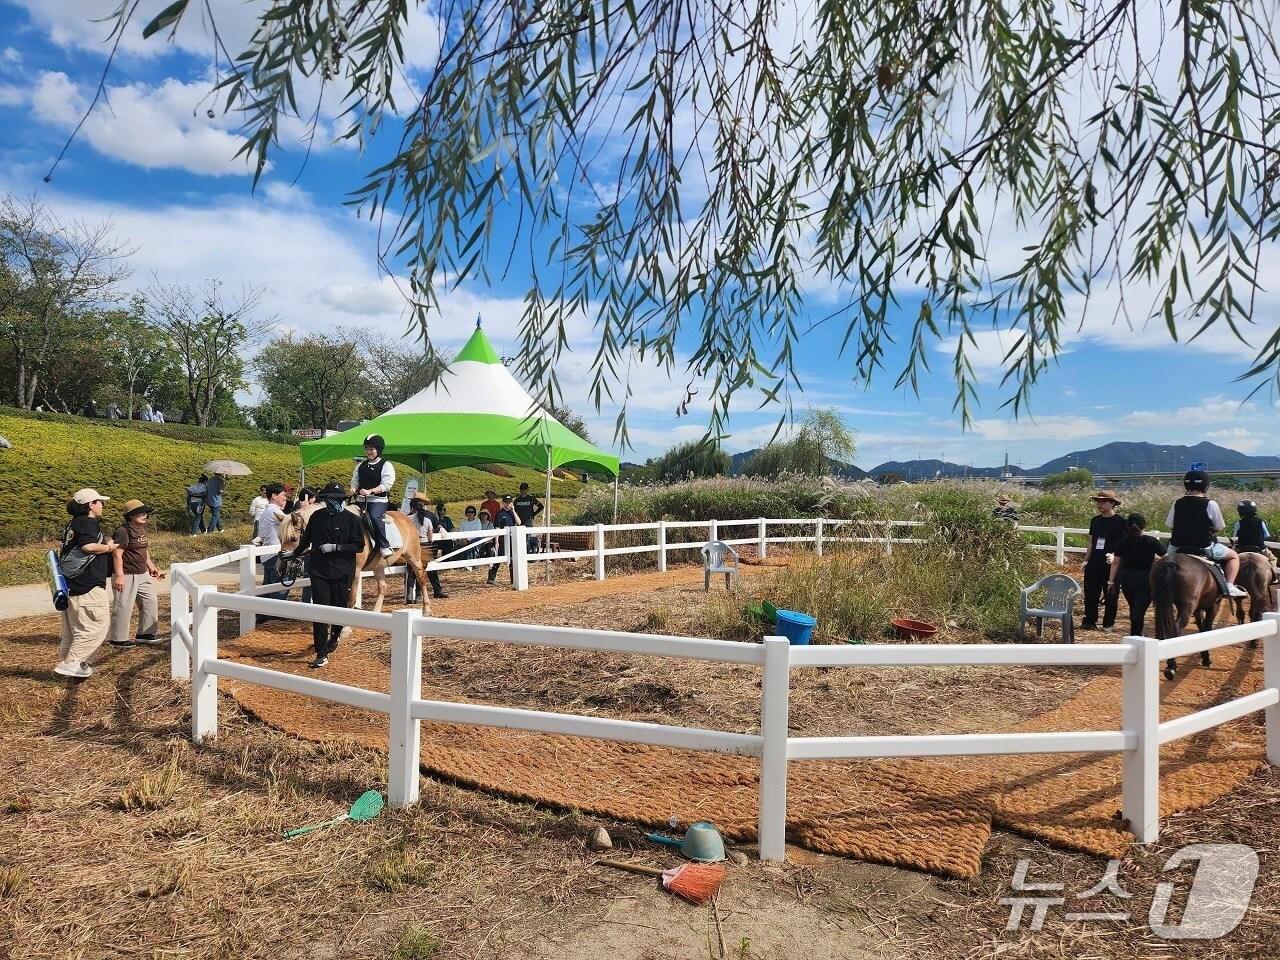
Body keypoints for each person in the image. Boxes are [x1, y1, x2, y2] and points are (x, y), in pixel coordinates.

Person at [284, 481, 364, 668]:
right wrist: (293, 554)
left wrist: (337, 547)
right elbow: (306, 540)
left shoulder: (353, 520)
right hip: (319, 571)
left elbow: (358, 545)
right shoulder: (317, 517)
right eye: (329, 499)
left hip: (342, 571)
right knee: (319, 610)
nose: (332, 502)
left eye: (336, 499)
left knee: (338, 609)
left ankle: (335, 635)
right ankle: (321, 652)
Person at [54, 489, 117, 679]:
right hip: (88, 584)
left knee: (74, 630)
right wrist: (108, 547)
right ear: (91, 504)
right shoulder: (88, 522)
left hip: (73, 583)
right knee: (94, 627)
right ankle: (73, 663)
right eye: (100, 502)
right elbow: (88, 547)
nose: (102, 506)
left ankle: (65, 664)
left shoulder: (72, 523)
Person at [1165, 469, 1247, 598]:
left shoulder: (1177, 503)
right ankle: (1230, 586)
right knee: (1234, 557)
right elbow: (1219, 526)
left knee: (1163, 564)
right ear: (1206, 486)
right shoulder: (1210, 504)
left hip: (1177, 547)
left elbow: (1170, 525)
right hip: (1203, 547)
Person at [108, 499, 165, 649]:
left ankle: (145, 634)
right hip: (126, 574)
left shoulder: (141, 528)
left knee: (150, 601)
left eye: (146, 512)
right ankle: (118, 639)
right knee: (123, 605)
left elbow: (143, 550)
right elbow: (117, 554)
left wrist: (151, 566)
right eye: (140, 513)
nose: (145, 515)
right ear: (130, 516)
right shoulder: (123, 531)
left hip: (142, 573)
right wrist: (119, 576)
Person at [1107, 513, 1164, 637]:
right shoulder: (1151, 541)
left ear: (1127, 526)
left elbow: (1115, 563)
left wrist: (1111, 582)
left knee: (1133, 608)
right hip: (1145, 579)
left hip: (1127, 579)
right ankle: (1136, 636)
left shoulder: (1122, 542)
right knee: (1139, 612)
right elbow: (1167, 558)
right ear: (1144, 526)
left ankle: (1136, 634)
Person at [1081, 489, 1128, 631]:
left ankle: (1108, 623)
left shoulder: (1121, 522)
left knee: (1111, 594)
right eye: (1098, 501)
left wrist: (1115, 555)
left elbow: (1125, 543)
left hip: (1111, 564)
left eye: (1103, 501)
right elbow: (1091, 542)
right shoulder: (1095, 521)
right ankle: (1089, 621)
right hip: (1094, 562)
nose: (1099, 504)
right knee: (1090, 593)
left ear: (1112, 503)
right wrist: (1086, 560)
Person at [350, 434, 395, 557]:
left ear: (378, 450)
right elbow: (355, 481)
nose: (368, 452)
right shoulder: (360, 466)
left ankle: (384, 546)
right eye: (367, 449)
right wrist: (353, 489)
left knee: (375, 517)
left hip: (377, 501)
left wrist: (371, 491)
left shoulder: (386, 465)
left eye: (371, 449)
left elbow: (386, 485)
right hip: (360, 500)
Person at [405, 493, 449, 601]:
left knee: (415, 569)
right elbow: (433, 529)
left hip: (412, 546)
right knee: (423, 569)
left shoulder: (409, 517)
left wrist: (440, 528)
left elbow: (437, 524)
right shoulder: (427, 516)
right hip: (426, 545)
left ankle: (415, 593)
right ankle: (422, 594)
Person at [257, 483, 290, 620]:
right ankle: (275, 615)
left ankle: (262, 615)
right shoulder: (273, 511)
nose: (285, 498)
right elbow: (290, 522)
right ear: (274, 496)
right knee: (280, 584)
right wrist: (303, 509)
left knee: (268, 586)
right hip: (275, 554)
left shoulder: (266, 511)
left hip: (267, 555)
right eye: (283, 495)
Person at [486, 495, 522, 586]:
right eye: (505, 502)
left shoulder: (512, 513)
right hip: (502, 539)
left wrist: (513, 510)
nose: (507, 504)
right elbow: (497, 528)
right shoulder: (500, 514)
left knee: (513, 558)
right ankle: (491, 578)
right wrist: (497, 541)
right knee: (499, 557)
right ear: (503, 503)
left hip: (511, 538)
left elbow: (519, 523)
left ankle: (513, 579)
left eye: (509, 502)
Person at [291, 486, 319, 603]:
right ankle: (307, 602)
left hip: (309, 548)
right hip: (305, 548)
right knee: (308, 576)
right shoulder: (299, 510)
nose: (314, 500)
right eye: (313, 498)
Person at [513, 481, 544, 552]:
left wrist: (534, 514)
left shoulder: (531, 499)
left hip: (528, 523)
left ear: (527, 489)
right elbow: (514, 512)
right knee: (520, 541)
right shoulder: (516, 501)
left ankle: (528, 554)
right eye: (521, 488)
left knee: (527, 540)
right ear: (520, 489)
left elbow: (541, 506)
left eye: (524, 488)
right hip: (519, 523)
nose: (523, 490)